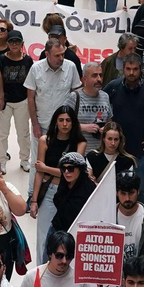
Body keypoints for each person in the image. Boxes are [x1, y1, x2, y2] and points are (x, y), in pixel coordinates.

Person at [104, 55, 144, 189]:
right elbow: (100, 103)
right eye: (128, 69)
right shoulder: (113, 86)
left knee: (139, 190)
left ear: (141, 70)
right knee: (113, 189)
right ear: (123, 69)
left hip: (141, 150)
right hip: (115, 149)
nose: (131, 73)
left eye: (135, 69)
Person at [30, 107, 84, 256]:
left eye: (68, 120)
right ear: (55, 122)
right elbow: (39, 173)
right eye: (61, 120)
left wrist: (46, 168)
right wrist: (34, 200)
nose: (65, 124)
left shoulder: (79, 143)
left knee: (68, 236)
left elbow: (74, 173)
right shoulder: (45, 140)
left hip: (69, 194)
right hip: (49, 192)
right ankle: (41, 273)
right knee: (43, 238)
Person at [0, 30, 37, 171]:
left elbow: (32, 82)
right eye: (12, 42)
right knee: (1, 133)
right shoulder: (1, 59)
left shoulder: (28, 60)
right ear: (7, 44)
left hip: (22, 101)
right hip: (4, 101)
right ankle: (1, 160)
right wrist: (0, 97)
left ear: (22, 44)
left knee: (23, 133)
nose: (15, 44)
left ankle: (24, 160)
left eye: (17, 42)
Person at [26, 36, 81, 138]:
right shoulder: (35, 69)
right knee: (38, 154)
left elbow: (76, 97)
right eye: (57, 55)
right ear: (47, 54)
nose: (61, 58)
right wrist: (35, 125)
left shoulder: (71, 67)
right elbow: (30, 99)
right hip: (42, 126)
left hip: (64, 128)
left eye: (62, 54)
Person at [114, 173, 144, 272]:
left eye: (131, 193)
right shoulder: (108, 215)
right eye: (123, 193)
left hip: (140, 274)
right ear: (116, 193)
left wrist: (133, 273)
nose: (127, 198)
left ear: (138, 191)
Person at [47, 152, 96, 236]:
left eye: (71, 168)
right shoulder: (63, 184)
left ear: (80, 169)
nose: (66, 172)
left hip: (80, 235)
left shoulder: (89, 189)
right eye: (63, 168)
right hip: (57, 231)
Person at [71, 61, 113, 142]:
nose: (99, 79)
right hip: (80, 150)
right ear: (84, 79)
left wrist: (106, 128)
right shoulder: (74, 97)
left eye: (100, 75)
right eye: (94, 76)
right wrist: (83, 127)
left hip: (100, 150)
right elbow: (63, 124)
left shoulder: (105, 96)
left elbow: (109, 121)